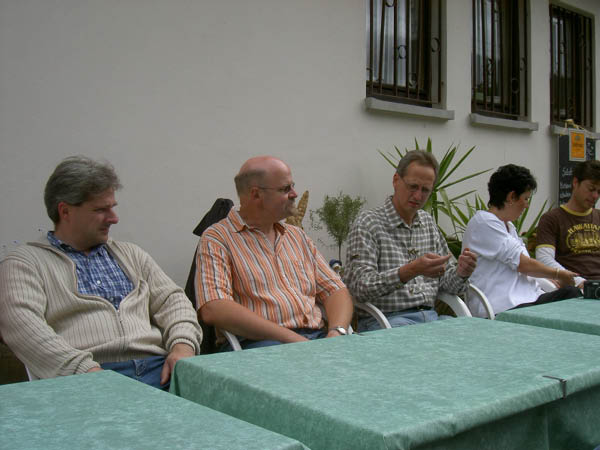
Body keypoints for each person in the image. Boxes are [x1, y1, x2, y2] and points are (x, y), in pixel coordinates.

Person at [0, 156, 202, 389]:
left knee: (225, 403)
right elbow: (24, 328)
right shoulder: (25, 263)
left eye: (112, 207)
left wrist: (183, 346)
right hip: (88, 379)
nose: (114, 218)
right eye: (100, 210)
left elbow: (173, 301)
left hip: (161, 369)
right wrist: (86, 372)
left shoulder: (131, 254)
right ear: (65, 211)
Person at [195, 156, 353, 350]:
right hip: (260, 345)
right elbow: (214, 308)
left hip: (316, 339)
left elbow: (335, 289)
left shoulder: (296, 236)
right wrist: (296, 341)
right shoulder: (218, 238)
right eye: (285, 189)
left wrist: (336, 332)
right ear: (256, 195)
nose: (295, 194)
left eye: (292, 186)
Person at [343, 150, 477, 332]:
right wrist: (410, 270)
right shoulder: (369, 224)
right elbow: (359, 288)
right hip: (387, 322)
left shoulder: (427, 223)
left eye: (425, 190)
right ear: (396, 180)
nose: (418, 196)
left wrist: (461, 272)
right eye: (413, 187)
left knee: (473, 336)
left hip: (430, 319)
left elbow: (447, 282)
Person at [462, 164, 581, 317]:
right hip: (503, 308)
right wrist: (558, 273)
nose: (526, 205)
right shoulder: (484, 222)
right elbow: (523, 264)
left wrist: (547, 279)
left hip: (528, 302)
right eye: (525, 198)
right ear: (511, 197)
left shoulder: (508, 227)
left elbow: (522, 267)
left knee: (573, 296)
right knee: (571, 294)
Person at [536, 160, 600, 289]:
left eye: (599, 192)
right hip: (574, 288)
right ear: (575, 182)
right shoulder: (552, 219)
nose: (595, 196)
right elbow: (544, 258)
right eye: (591, 189)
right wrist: (579, 282)